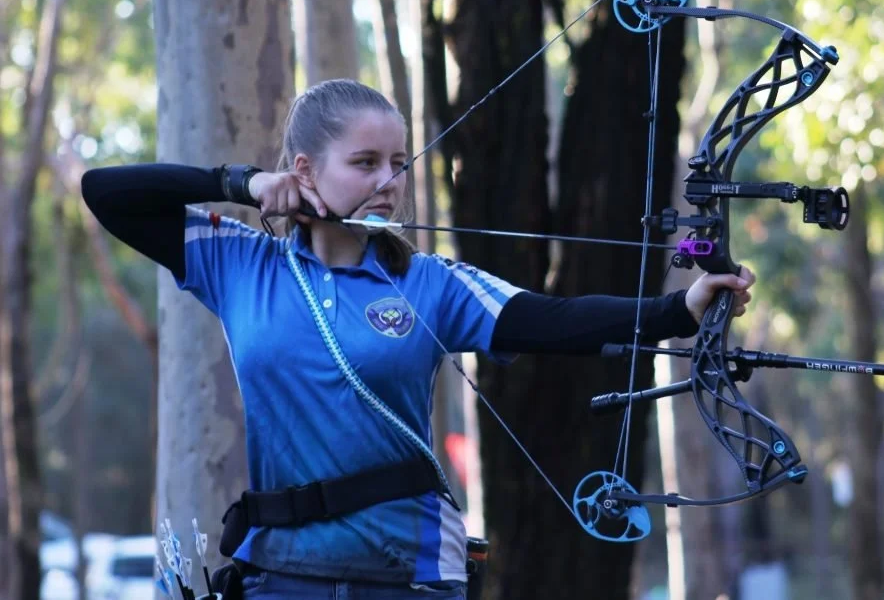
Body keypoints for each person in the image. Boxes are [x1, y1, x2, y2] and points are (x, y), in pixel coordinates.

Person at [81, 78, 755, 599]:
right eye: (365, 162)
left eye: (398, 164)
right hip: (280, 574)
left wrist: (679, 308)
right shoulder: (239, 263)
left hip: (409, 573)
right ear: (304, 169)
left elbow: (554, 319)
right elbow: (105, 191)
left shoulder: (431, 283)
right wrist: (241, 184)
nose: (388, 183)